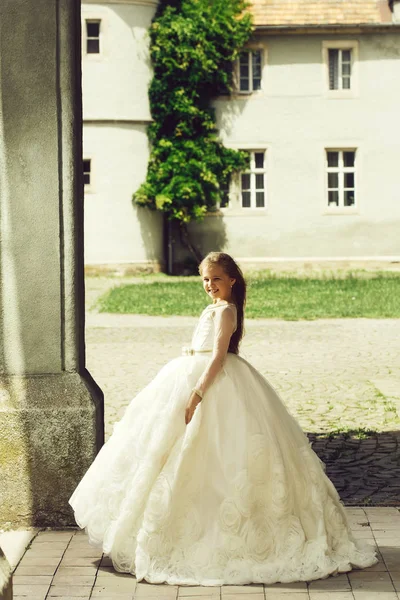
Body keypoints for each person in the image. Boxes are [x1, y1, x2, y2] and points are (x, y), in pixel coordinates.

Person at [69, 251, 377, 586]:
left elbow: (218, 356)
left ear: (231, 279)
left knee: (219, 453)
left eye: (216, 278)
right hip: (189, 373)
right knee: (162, 447)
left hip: (212, 381)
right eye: (205, 279)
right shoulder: (213, 308)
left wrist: (198, 393)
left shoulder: (227, 310)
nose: (210, 285)